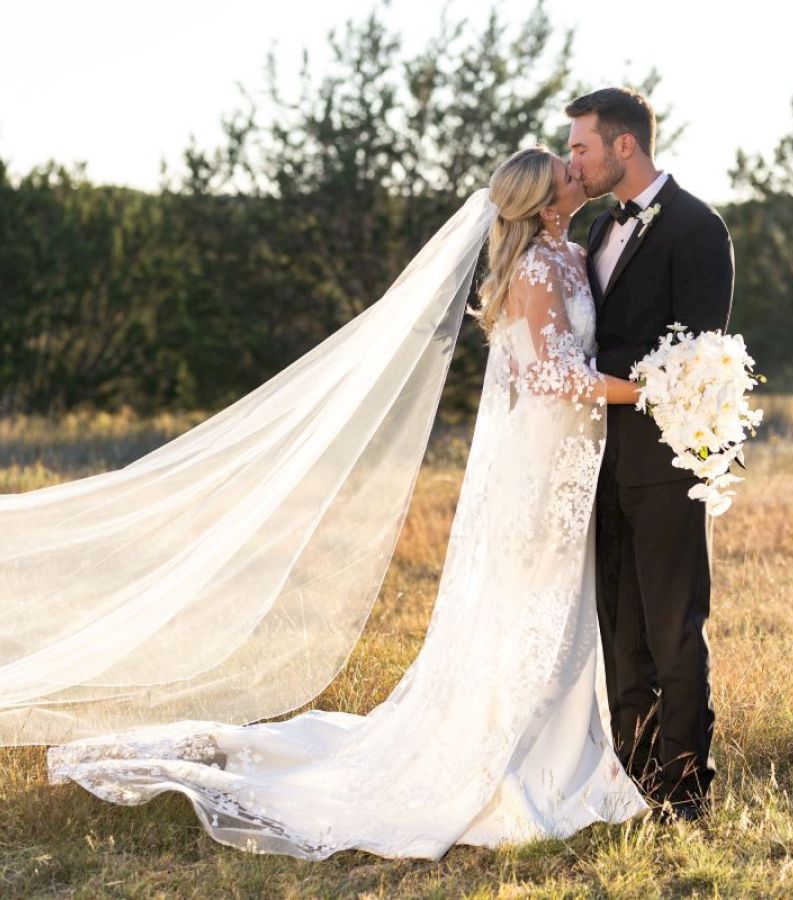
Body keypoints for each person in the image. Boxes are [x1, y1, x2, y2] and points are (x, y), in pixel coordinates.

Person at [41, 146, 653, 860]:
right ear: (547, 201)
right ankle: (519, 755)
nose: (579, 173)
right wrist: (649, 389)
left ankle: (566, 742)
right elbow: (552, 377)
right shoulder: (538, 268)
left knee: (558, 600)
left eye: (575, 163)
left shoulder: (572, 253)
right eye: (566, 171)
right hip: (545, 460)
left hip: (571, 456)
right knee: (531, 602)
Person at [566, 87, 735, 820]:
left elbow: (698, 352)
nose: (575, 161)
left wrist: (595, 380)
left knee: (674, 625)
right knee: (621, 626)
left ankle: (686, 788)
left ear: (623, 145)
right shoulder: (601, 224)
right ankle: (631, 783)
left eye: (581, 147)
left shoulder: (698, 227)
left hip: (666, 459)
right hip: (598, 460)